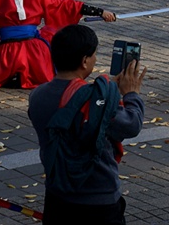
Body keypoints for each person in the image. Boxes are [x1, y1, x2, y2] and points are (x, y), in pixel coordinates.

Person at [27, 24, 144, 225]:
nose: (95, 60)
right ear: (84, 61)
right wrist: (131, 94)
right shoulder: (98, 101)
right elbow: (131, 125)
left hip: (58, 195)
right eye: (94, 56)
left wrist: (108, 93)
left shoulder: (37, 95)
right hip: (98, 198)